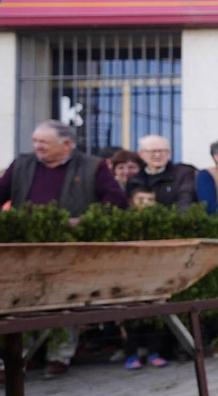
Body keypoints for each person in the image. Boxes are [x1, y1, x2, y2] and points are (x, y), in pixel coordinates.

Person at [0, 121, 128, 377]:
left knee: (62, 300)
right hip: (25, 246)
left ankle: (59, 356)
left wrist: (83, 222)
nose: (37, 146)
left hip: (67, 247)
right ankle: (17, 359)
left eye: (43, 142)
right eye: (35, 141)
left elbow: (116, 203)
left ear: (67, 144)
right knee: (19, 301)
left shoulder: (93, 166)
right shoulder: (22, 164)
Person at [127, 134, 197, 208]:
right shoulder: (135, 180)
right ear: (141, 154)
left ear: (169, 153)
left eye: (162, 151)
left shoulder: (183, 174)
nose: (157, 155)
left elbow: (185, 201)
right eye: (152, 151)